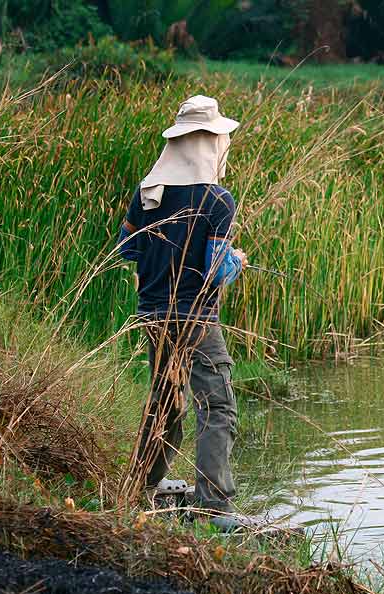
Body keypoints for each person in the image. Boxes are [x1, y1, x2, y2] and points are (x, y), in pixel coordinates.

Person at [116, 95, 248, 528]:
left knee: (166, 398)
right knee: (217, 405)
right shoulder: (217, 199)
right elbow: (214, 272)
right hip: (196, 319)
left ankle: (146, 484)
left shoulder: (148, 192)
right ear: (210, 143)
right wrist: (236, 263)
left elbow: (127, 250)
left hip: (152, 313)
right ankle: (215, 506)